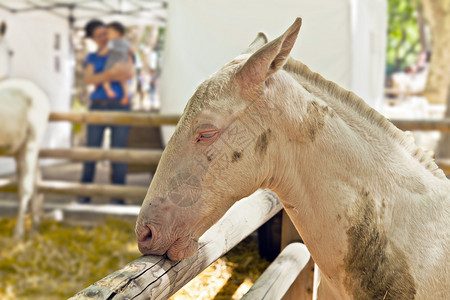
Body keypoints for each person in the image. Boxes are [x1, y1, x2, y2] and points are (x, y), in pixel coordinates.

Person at [79, 19, 134, 205]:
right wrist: (111, 74)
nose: (103, 37)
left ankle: (118, 198)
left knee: (119, 154)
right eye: (99, 35)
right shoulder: (92, 57)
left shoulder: (120, 51)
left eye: (105, 33)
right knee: (91, 153)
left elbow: (127, 73)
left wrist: (102, 76)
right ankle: (84, 195)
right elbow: (89, 80)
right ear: (93, 39)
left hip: (120, 106)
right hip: (98, 106)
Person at [102, 22, 132, 105]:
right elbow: (131, 51)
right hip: (123, 65)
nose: (107, 35)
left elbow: (105, 51)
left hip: (112, 65)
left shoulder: (111, 42)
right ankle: (126, 95)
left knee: (105, 78)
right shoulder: (127, 43)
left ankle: (109, 90)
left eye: (108, 33)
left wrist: (100, 53)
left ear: (117, 33)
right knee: (124, 81)